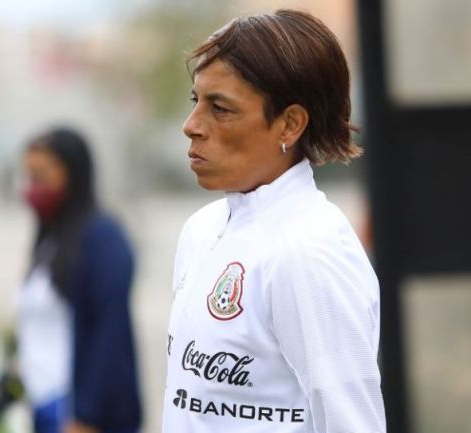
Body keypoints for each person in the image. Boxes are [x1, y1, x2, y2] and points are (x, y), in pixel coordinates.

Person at [162, 10, 385, 433]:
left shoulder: (309, 250)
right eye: (197, 102)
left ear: (290, 123)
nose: (191, 126)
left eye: (220, 109)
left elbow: (352, 424)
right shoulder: (202, 230)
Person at [17, 127, 142, 433]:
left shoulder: (103, 238)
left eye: (41, 175)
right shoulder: (50, 238)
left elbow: (109, 333)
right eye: (29, 176)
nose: (33, 188)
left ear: (72, 172)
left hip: (82, 413)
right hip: (45, 404)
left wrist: (87, 416)